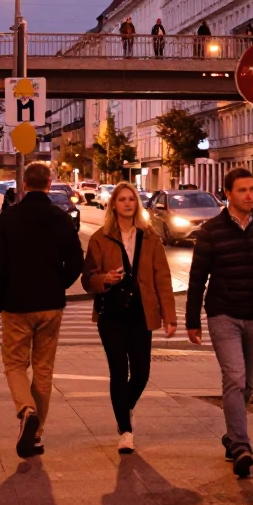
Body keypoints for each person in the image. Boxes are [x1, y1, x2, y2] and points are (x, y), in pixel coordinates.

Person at [186, 168, 253, 479]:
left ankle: (232, 434)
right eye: (243, 190)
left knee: (247, 384)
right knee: (234, 377)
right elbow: (196, 280)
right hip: (224, 314)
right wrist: (192, 321)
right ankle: (241, 446)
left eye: (252, 189)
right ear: (228, 194)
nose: (249, 195)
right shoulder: (211, 231)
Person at [0, 161, 84, 459]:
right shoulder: (61, 219)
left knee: (14, 364)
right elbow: (77, 261)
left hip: (16, 304)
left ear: (25, 184)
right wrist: (60, 284)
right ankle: (36, 435)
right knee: (43, 369)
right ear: (49, 184)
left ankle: (26, 410)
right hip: (50, 304)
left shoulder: (8, 219)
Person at [82, 182, 177, 454]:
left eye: (131, 200)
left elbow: (162, 278)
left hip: (141, 313)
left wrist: (169, 315)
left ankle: (124, 406)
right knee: (117, 371)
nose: (126, 203)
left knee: (142, 374)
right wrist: (104, 279)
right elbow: (87, 279)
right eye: (121, 200)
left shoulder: (150, 237)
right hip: (111, 313)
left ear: (136, 204)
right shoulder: (100, 238)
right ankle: (125, 430)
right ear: (113, 205)